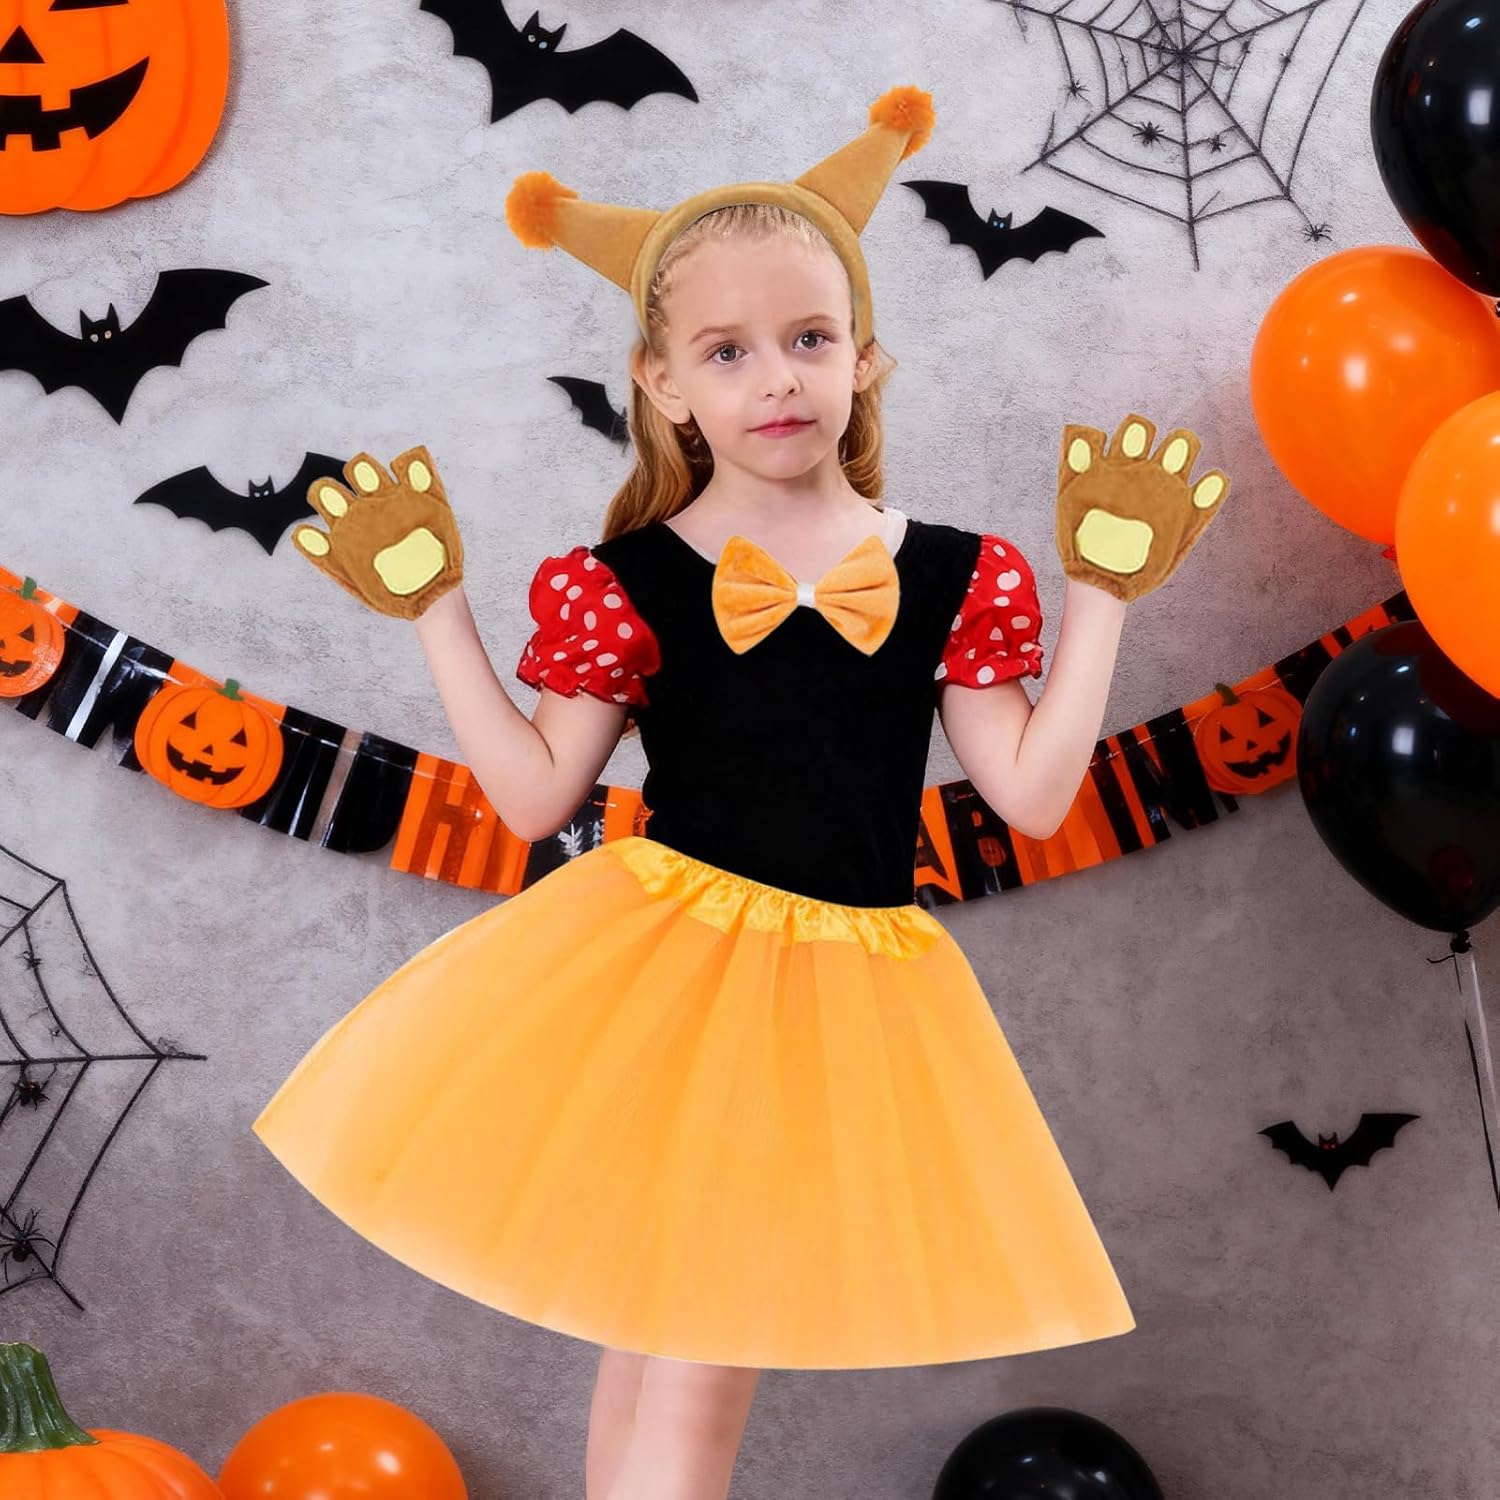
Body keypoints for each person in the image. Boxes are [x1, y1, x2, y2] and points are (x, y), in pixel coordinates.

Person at [252, 85, 1230, 1500]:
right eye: (728, 350)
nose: (779, 379)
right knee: (669, 1355)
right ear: (663, 384)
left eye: (810, 338)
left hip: (843, 1006)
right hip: (664, 990)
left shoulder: (959, 574)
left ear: (866, 357)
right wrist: (436, 612)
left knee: (681, 1350)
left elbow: (1029, 795)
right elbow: (532, 800)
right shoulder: (624, 581)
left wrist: (1103, 600)